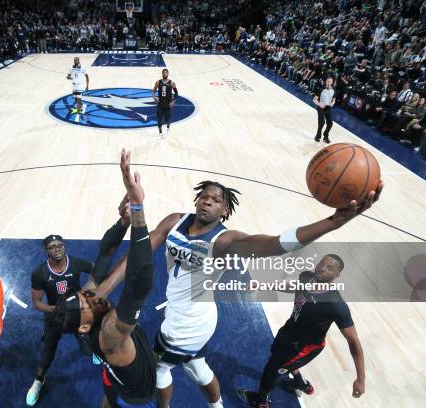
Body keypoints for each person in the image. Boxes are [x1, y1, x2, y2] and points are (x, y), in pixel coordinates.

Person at [97, 175, 383, 408]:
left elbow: (275, 244)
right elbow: (139, 253)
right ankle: (217, 405)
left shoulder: (225, 240)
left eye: (216, 200)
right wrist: (104, 288)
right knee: (196, 365)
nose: (208, 201)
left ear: (225, 210)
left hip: (190, 322)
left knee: (159, 369)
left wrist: (335, 222)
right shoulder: (174, 221)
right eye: (205, 196)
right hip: (189, 313)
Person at [52, 149, 157, 408]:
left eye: (85, 295)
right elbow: (139, 282)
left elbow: (105, 253)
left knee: (108, 387)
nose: (92, 295)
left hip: (111, 369)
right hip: (139, 390)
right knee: (126, 389)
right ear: (86, 326)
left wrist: (123, 223)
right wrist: (138, 210)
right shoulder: (111, 332)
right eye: (88, 301)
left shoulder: (85, 316)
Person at [236, 255, 365, 407]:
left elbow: (354, 342)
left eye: (329, 268)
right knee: (275, 352)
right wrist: (264, 285)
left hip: (303, 347)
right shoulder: (306, 277)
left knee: (272, 369)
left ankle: (261, 401)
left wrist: (360, 379)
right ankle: (301, 383)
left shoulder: (335, 304)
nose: (322, 268)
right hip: (289, 330)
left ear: (337, 275)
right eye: (322, 263)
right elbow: (294, 287)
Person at [26, 234, 96, 405]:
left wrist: (89, 289)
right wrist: (54, 309)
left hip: (77, 315)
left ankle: (91, 345)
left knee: (89, 350)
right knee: (47, 354)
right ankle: (39, 381)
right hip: (54, 317)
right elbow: (36, 302)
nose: (57, 249)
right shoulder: (39, 273)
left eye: (60, 245)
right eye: (52, 246)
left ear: (64, 246)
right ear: (46, 250)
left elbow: (96, 269)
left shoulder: (75, 263)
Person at [152, 68, 178, 138]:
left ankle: (168, 127)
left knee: (167, 119)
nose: (165, 74)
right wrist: (154, 97)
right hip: (160, 104)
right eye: (163, 73)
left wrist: (173, 102)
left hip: (168, 104)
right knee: (159, 119)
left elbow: (176, 93)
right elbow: (153, 91)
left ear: (168, 74)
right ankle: (160, 133)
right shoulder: (158, 82)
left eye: (166, 73)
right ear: (162, 74)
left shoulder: (172, 83)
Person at [313, 77, 335, 143]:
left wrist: (332, 103)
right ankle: (317, 136)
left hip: (328, 108)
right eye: (328, 81)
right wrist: (319, 104)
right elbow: (314, 100)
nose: (329, 83)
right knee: (322, 123)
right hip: (321, 108)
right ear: (326, 82)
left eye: (330, 81)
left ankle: (325, 136)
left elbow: (334, 100)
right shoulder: (321, 89)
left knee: (330, 123)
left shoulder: (333, 90)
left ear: (332, 82)